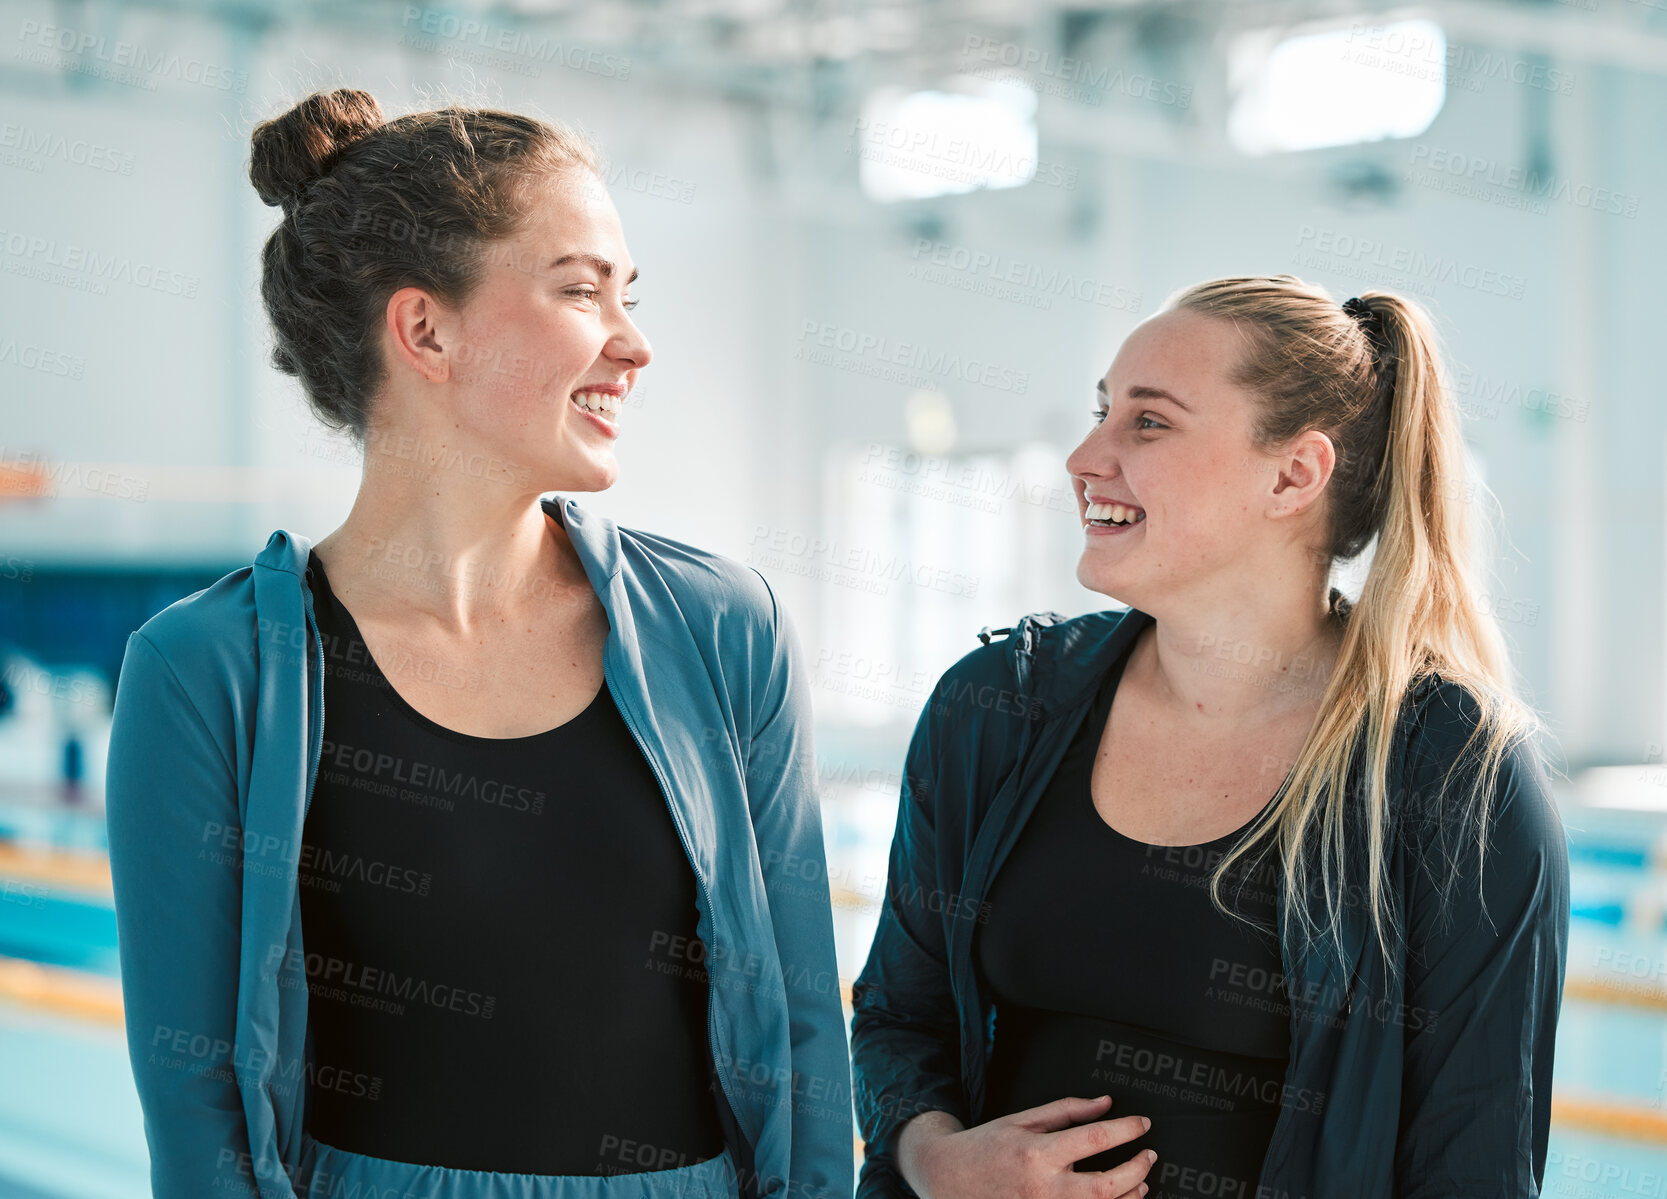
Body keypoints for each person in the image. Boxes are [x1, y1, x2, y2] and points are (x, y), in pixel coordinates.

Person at [104, 87, 852, 1199]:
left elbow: (799, 1039)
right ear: (425, 329)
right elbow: (201, 1110)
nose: (634, 343)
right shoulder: (211, 672)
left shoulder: (720, 627)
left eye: (626, 296)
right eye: (581, 291)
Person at [849, 276, 1570, 1199]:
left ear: (1292, 475)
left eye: (1146, 424)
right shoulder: (996, 709)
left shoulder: (1447, 772)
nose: (1083, 455)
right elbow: (896, 1017)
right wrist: (933, 1157)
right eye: (1102, 412)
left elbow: (1471, 1162)